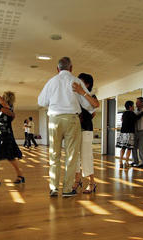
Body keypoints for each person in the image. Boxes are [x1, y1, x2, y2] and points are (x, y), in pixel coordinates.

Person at [38, 57, 99, 197]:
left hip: (54, 120)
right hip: (72, 119)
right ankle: (67, 190)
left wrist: (55, 101)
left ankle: (53, 187)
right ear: (71, 68)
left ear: (57, 69)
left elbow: (41, 101)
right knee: (71, 156)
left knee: (54, 154)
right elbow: (89, 105)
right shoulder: (76, 81)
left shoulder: (51, 81)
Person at [72, 73, 103, 194]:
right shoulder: (74, 96)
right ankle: (77, 180)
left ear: (87, 84)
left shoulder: (90, 95)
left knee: (86, 156)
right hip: (74, 129)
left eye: (81, 81)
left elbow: (95, 107)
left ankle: (92, 182)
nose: (78, 83)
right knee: (74, 157)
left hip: (86, 130)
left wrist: (82, 92)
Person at [0, 91, 24, 184]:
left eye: (3, 97)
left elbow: (9, 114)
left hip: (6, 135)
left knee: (10, 156)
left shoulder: (8, 108)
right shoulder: (0, 110)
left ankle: (20, 175)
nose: (1, 98)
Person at [116, 100, 143, 168]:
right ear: (130, 107)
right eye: (133, 105)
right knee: (129, 148)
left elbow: (122, 120)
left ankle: (120, 161)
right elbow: (137, 118)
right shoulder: (131, 113)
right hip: (129, 133)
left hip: (123, 133)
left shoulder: (124, 113)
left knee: (123, 147)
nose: (134, 107)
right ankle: (126, 162)